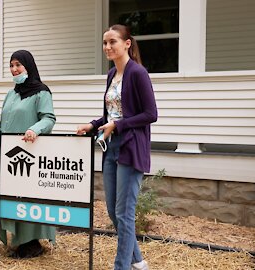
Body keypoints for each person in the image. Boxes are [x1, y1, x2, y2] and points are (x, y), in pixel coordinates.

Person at [76, 24, 157, 270]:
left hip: (131, 147)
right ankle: (138, 261)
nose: (108, 47)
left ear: (127, 44)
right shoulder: (112, 75)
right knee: (113, 210)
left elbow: (150, 114)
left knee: (124, 212)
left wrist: (118, 126)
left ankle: (121, 266)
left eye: (113, 42)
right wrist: (92, 125)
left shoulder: (138, 73)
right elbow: (110, 115)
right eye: (105, 43)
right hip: (110, 147)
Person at [0, 50, 56, 258]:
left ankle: (31, 243)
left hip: (29, 156)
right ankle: (17, 240)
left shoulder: (41, 92)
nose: (14, 69)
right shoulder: (11, 94)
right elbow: (1, 126)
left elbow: (49, 118)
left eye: (19, 65)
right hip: (9, 158)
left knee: (28, 199)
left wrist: (35, 129)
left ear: (29, 66)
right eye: (12, 65)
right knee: (10, 196)